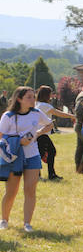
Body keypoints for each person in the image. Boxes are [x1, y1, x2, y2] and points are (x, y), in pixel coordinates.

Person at [1, 87, 53, 231]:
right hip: (13, 157)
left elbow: (50, 124)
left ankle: (27, 223)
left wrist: (39, 133)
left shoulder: (36, 113)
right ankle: (4, 220)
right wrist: (18, 141)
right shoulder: (8, 116)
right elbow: (0, 136)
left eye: (33, 96)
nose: (33, 99)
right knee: (11, 191)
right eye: (29, 97)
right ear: (19, 99)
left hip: (33, 156)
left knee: (30, 190)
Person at [34, 85, 75, 181]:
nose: (52, 95)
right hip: (42, 133)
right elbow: (59, 113)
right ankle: (49, 175)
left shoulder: (37, 104)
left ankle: (41, 175)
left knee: (39, 153)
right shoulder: (46, 106)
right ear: (46, 95)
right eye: (50, 93)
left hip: (37, 133)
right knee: (50, 152)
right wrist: (72, 116)